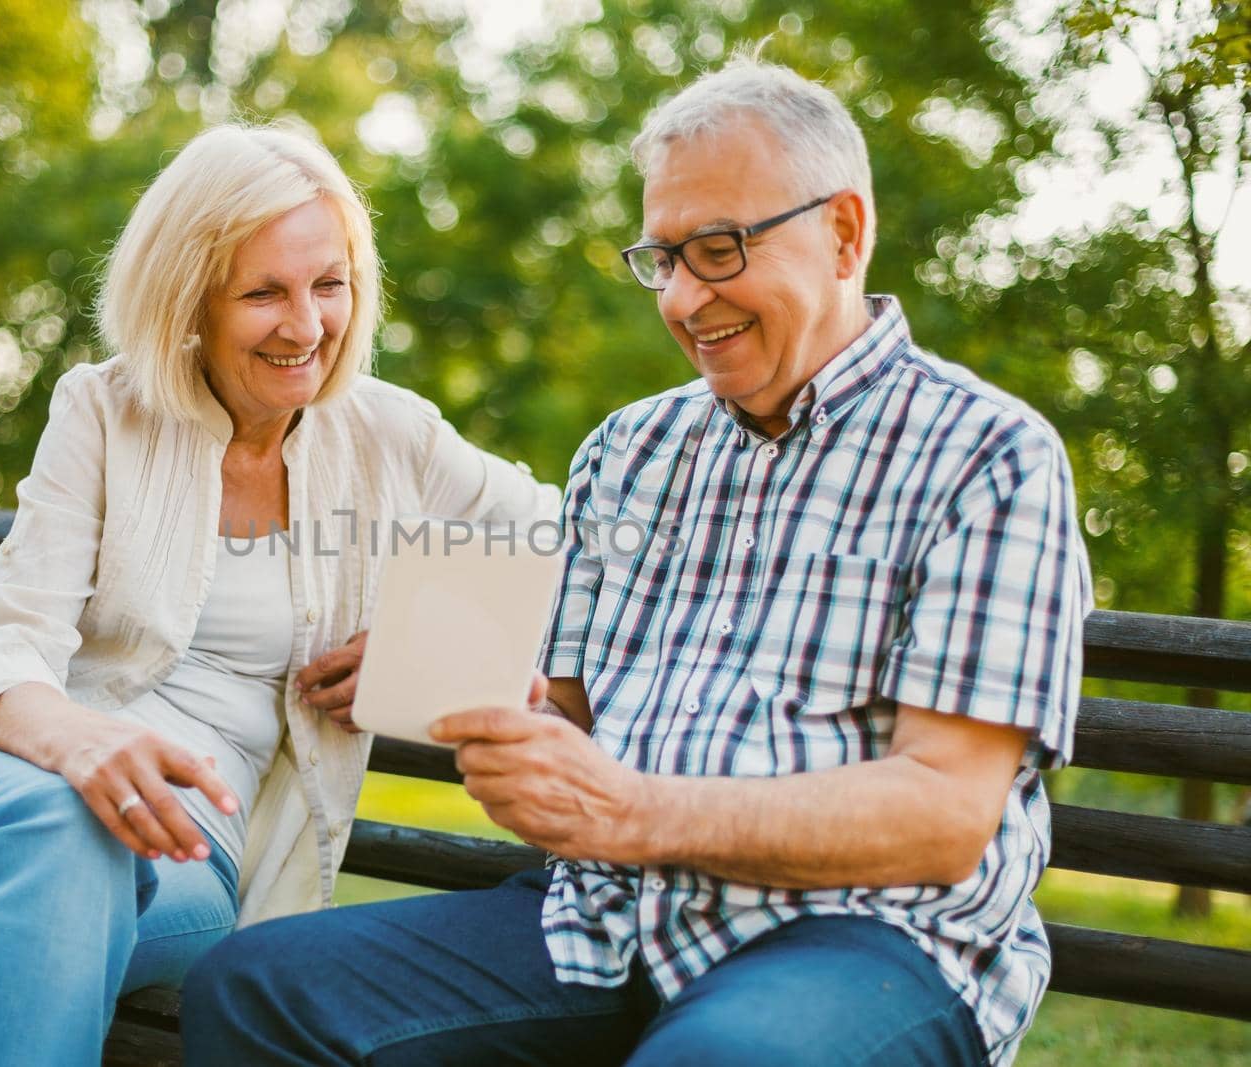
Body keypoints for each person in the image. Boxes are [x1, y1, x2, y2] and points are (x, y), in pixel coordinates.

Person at [180, 53, 1091, 1067]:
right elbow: (567, 706)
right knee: (255, 985)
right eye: (662, 257)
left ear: (842, 232)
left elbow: (943, 813)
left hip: (865, 937)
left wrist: (630, 809)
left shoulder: (986, 456)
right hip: (606, 922)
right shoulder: (630, 450)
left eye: (718, 248)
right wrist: (444, 684)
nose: (684, 298)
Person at [0, 123, 557, 1066]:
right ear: (188, 299)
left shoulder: (388, 437)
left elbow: (571, 538)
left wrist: (424, 655)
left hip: (189, 848)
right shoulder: (103, 409)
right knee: (62, 817)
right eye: (264, 293)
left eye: (329, 284)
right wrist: (84, 747)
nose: (307, 325)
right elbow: (5, 634)